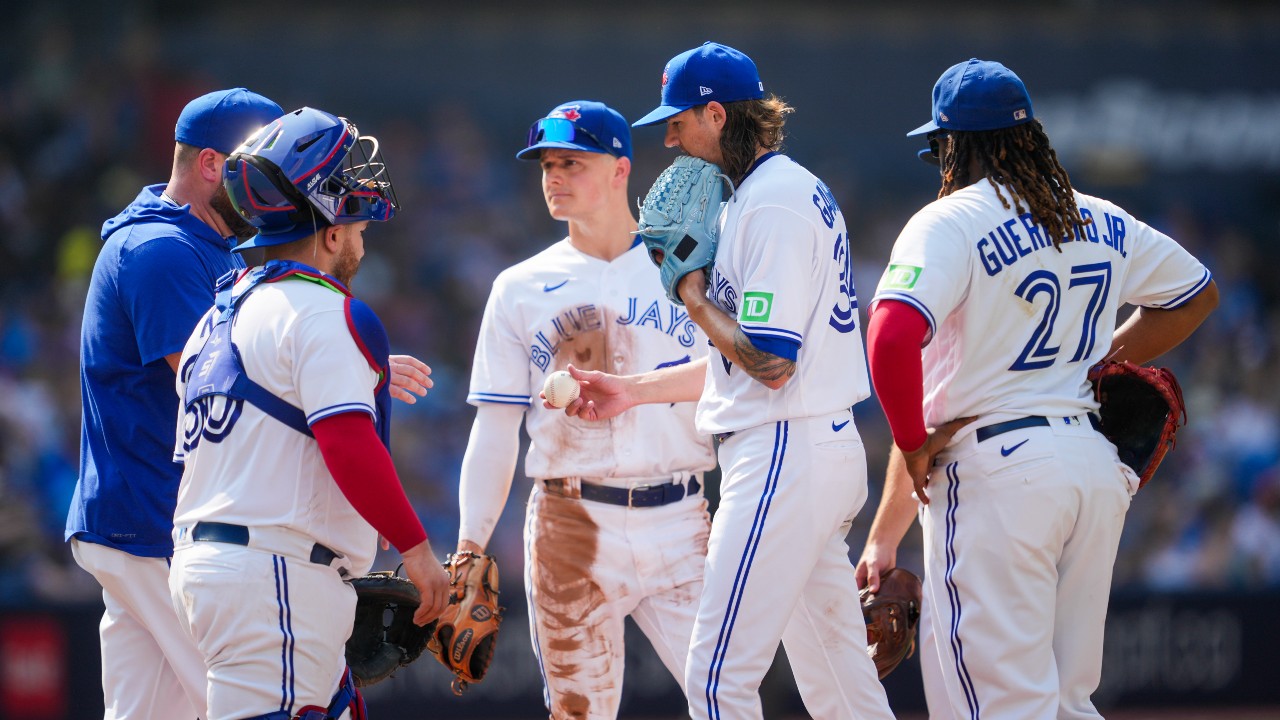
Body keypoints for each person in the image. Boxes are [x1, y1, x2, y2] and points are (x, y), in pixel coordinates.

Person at [854, 58, 1219, 720]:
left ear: (953, 146)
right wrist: (1096, 361)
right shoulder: (1099, 217)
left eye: (940, 147)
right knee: (1067, 701)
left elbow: (890, 340)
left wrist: (908, 443)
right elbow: (1196, 295)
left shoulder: (951, 221)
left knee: (996, 708)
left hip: (999, 477)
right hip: (1090, 471)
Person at [559, 43, 895, 720]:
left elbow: (770, 364)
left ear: (716, 113)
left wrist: (690, 293)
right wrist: (637, 391)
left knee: (715, 680)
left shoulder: (771, 201)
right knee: (840, 683)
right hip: (808, 447)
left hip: (782, 453)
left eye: (678, 119)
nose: (669, 135)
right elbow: (739, 365)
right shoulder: (771, 193)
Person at [168, 106, 451, 720]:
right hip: (273, 574)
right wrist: (418, 551)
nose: (359, 235)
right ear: (328, 231)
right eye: (354, 225)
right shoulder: (323, 311)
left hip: (226, 566)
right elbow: (348, 445)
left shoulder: (218, 317)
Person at [456, 99, 716, 719]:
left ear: (621, 169)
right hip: (569, 522)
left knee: (729, 697)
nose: (554, 176)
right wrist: (470, 544)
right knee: (579, 713)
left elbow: (736, 376)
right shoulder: (518, 286)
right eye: (546, 164)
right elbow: (494, 427)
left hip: (681, 512)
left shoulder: (689, 268)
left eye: (572, 162)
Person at [67, 87, 284, 720]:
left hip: (143, 519)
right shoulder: (161, 250)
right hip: (154, 520)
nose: (275, 189)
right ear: (213, 165)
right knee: (245, 700)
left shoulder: (203, 242)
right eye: (262, 169)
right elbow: (219, 382)